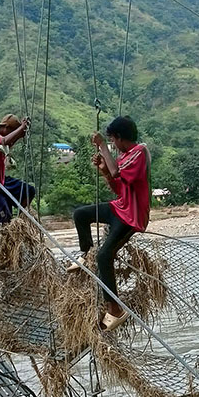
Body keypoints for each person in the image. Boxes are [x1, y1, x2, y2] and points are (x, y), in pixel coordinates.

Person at [68, 116, 151, 331]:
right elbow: (117, 186)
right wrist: (104, 171)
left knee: (105, 255)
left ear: (120, 138)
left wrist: (102, 146)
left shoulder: (139, 153)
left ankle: (115, 309)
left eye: (113, 140)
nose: (113, 145)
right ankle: (86, 255)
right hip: (119, 207)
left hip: (131, 217)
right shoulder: (124, 158)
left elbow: (117, 172)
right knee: (81, 214)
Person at [0, 113, 36, 225]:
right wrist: (21, 128)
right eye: (11, 131)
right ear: (6, 128)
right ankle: (10, 226)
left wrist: (22, 132)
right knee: (3, 221)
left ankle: (20, 219)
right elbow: (5, 141)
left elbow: (10, 141)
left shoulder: (2, 139)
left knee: (28, 191)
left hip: (1, 181)